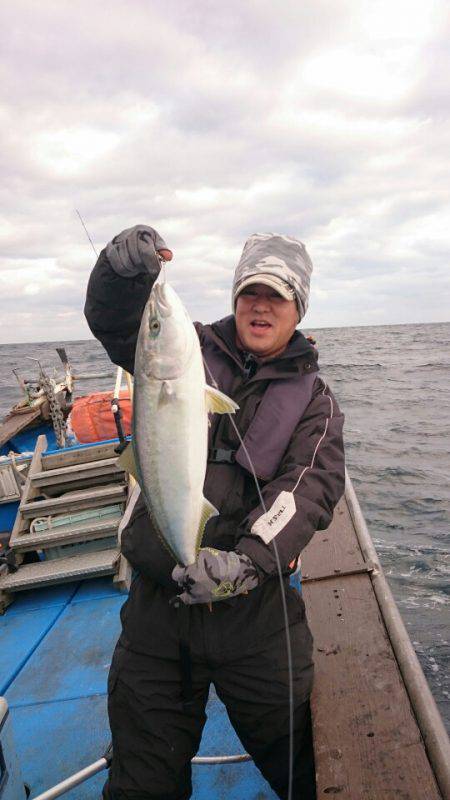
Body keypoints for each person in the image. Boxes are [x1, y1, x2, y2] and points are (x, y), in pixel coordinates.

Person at [84, 225, 345, 800]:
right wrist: (119, 273)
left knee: (307, 767)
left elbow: (307, 492)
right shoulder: (183, 348)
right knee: (142, 778)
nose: (260, 305)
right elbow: (115, 321)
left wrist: (247, 562)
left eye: (276, 296)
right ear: (234, 298)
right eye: (251, 291)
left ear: (298, 307)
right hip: (159, 607)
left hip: (253, 612)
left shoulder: (315, 402)